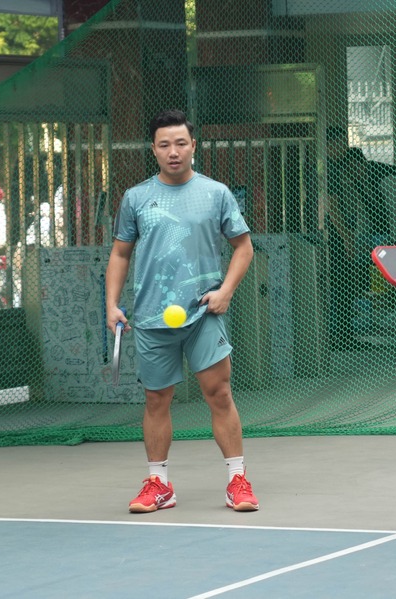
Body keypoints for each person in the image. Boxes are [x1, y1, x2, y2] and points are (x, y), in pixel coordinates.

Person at [105, 109, 259, 513]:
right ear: (153, 149)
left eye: (180, 143)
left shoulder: (216, 193)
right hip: (151, 317)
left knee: (219, 393)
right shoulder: (136, 198)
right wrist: (111, 304)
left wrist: (226, 291)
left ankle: (238, 480)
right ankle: (159, 484)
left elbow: (243, 247)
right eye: (164, 145)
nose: (173, 152)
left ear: (193, 146)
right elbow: (120, 253)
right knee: (157, 399)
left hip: (204, 313)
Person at [324, 126, 369, 349]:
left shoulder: (335, 167)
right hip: (336, 235)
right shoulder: (329, 169)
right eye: (341, 143)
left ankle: (343, 334)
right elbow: (332, 207)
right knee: (342, 284)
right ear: (331, 145)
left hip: (340, 233)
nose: (344, 148)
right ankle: (342, 336)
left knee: (343, 284)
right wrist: (346, 237)